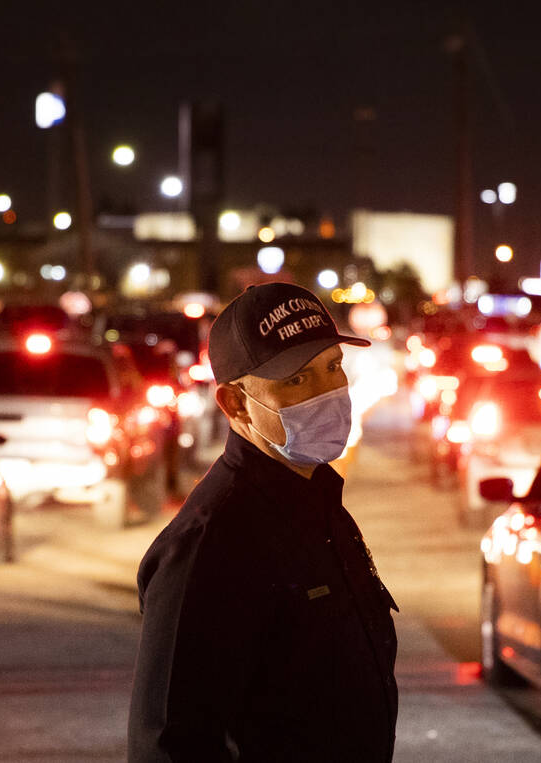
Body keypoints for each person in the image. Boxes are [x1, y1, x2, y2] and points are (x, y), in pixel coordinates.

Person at [128, 282, 399, 762]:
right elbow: (171, 745)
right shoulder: (210, 544)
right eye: (296, 380)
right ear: (235, 404)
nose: (328, 392)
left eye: (332, 367)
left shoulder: (320, 505)